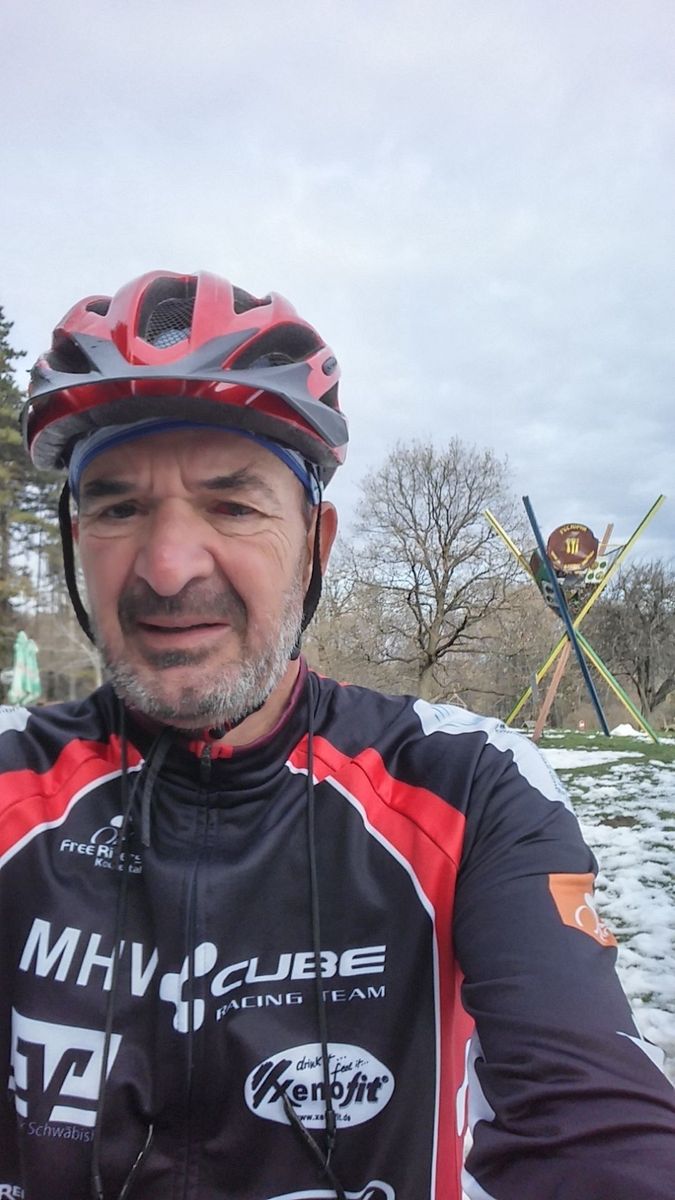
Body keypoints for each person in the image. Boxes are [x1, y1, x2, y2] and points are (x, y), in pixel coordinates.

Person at [1, 269, 673, 1200]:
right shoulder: (11, 785)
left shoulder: (465, 787)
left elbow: (592, 1116)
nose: (167, 567)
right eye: (119, 507)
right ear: (78, 541)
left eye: (232, 505)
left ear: (316, 544)